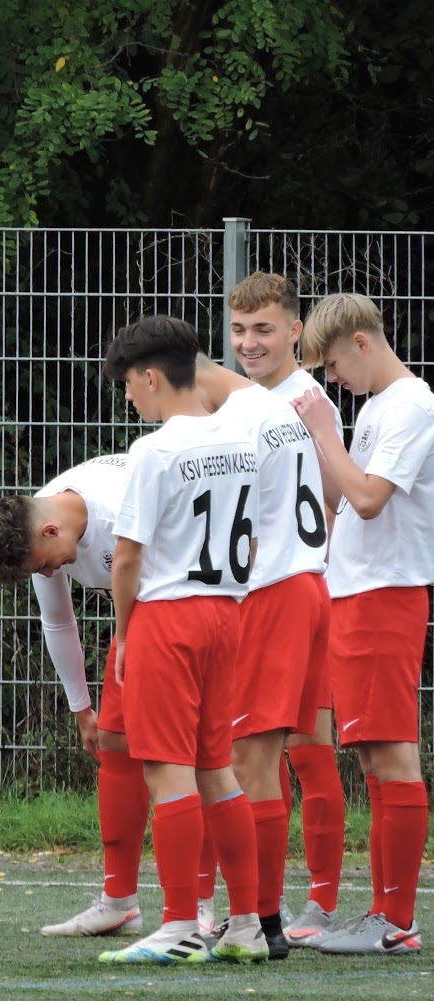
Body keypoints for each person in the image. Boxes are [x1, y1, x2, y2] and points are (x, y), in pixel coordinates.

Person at [97, 315, 266, 965]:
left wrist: (124, 634)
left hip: (169, 615)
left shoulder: (155, 449)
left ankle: (179, 924)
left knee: (167, 770)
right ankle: (244, 922)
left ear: (149, 376)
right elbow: (248, 539)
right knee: (214, 767)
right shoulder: (243, 437)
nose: (130, 399)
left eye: (129, 387)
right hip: (227, 610)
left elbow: (127, 560)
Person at [0, 455, 173, 937]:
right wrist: (83, 710)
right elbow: (58, 621)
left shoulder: (116, 505)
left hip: (185, 611)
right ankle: (119, 900)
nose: (49, 573)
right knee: (116, 747)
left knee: (188, 759)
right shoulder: (45, 519)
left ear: (48, 532)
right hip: (137, 625)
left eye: (44, 566)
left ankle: (203, 905)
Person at [292, 293, 431, 956]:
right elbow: (347, 494)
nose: (331, 378)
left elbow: (371, 500)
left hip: (385, 596)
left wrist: (325, 432)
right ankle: (383, 912)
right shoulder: (379, 407)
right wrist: (317, 441)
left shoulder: (412, 403)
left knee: (393, 754)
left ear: (362, 341)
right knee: (374, 757)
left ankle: (396, 920)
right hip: (356, 594)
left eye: (333, 362)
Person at [191, 352, 330, 960]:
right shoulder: (273, 407)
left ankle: (259, 918)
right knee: (264, 758)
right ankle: (264, 917)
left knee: (247, 758)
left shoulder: (235, 422)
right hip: (306, 583)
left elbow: (228, 522)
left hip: (273, 590)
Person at [227, 272, 347, 947]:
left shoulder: (295, 401)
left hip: (288, 590)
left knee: (285, 750)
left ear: (296, 330)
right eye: (240, 330)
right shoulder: (274, 398)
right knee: (291, 747)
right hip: (293, 588)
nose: (249, 342)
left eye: (264, 329)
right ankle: (288, 903)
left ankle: (288, 908)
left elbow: (333, 498)